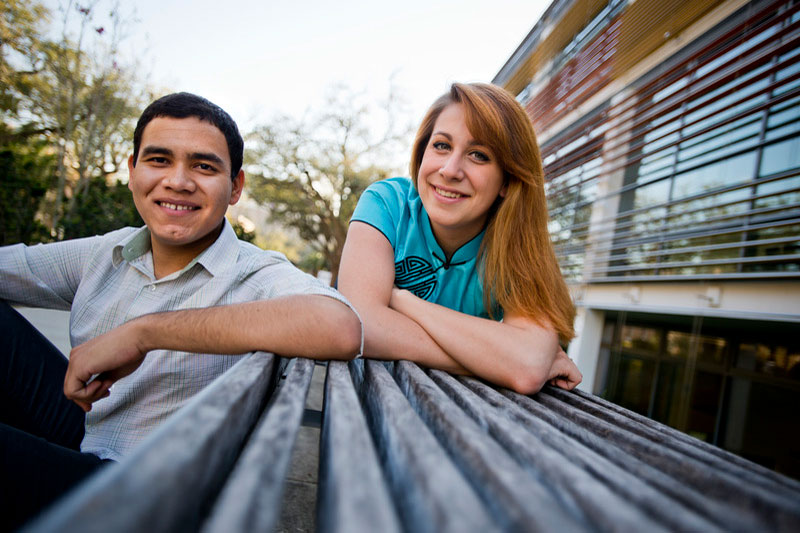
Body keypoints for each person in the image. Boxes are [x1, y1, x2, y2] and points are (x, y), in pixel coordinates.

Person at [0, 92, 361, 529]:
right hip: (86, 431)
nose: (178, 181)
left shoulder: (254, 273)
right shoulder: (106, 252)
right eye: (159, 160)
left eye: (204, 167)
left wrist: (143, 333)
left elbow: (339, 325)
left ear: (236, 187)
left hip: (146, 493)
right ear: (132, 170)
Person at [338, 82, 580, 394]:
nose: (450, 170)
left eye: (479, 155)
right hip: (358, 398)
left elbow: (527, 365)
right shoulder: (386, 203)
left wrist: (402, 301)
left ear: (507, 180)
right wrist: (496, 361)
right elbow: (357, 323)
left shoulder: (520, 246)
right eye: (441, 146)